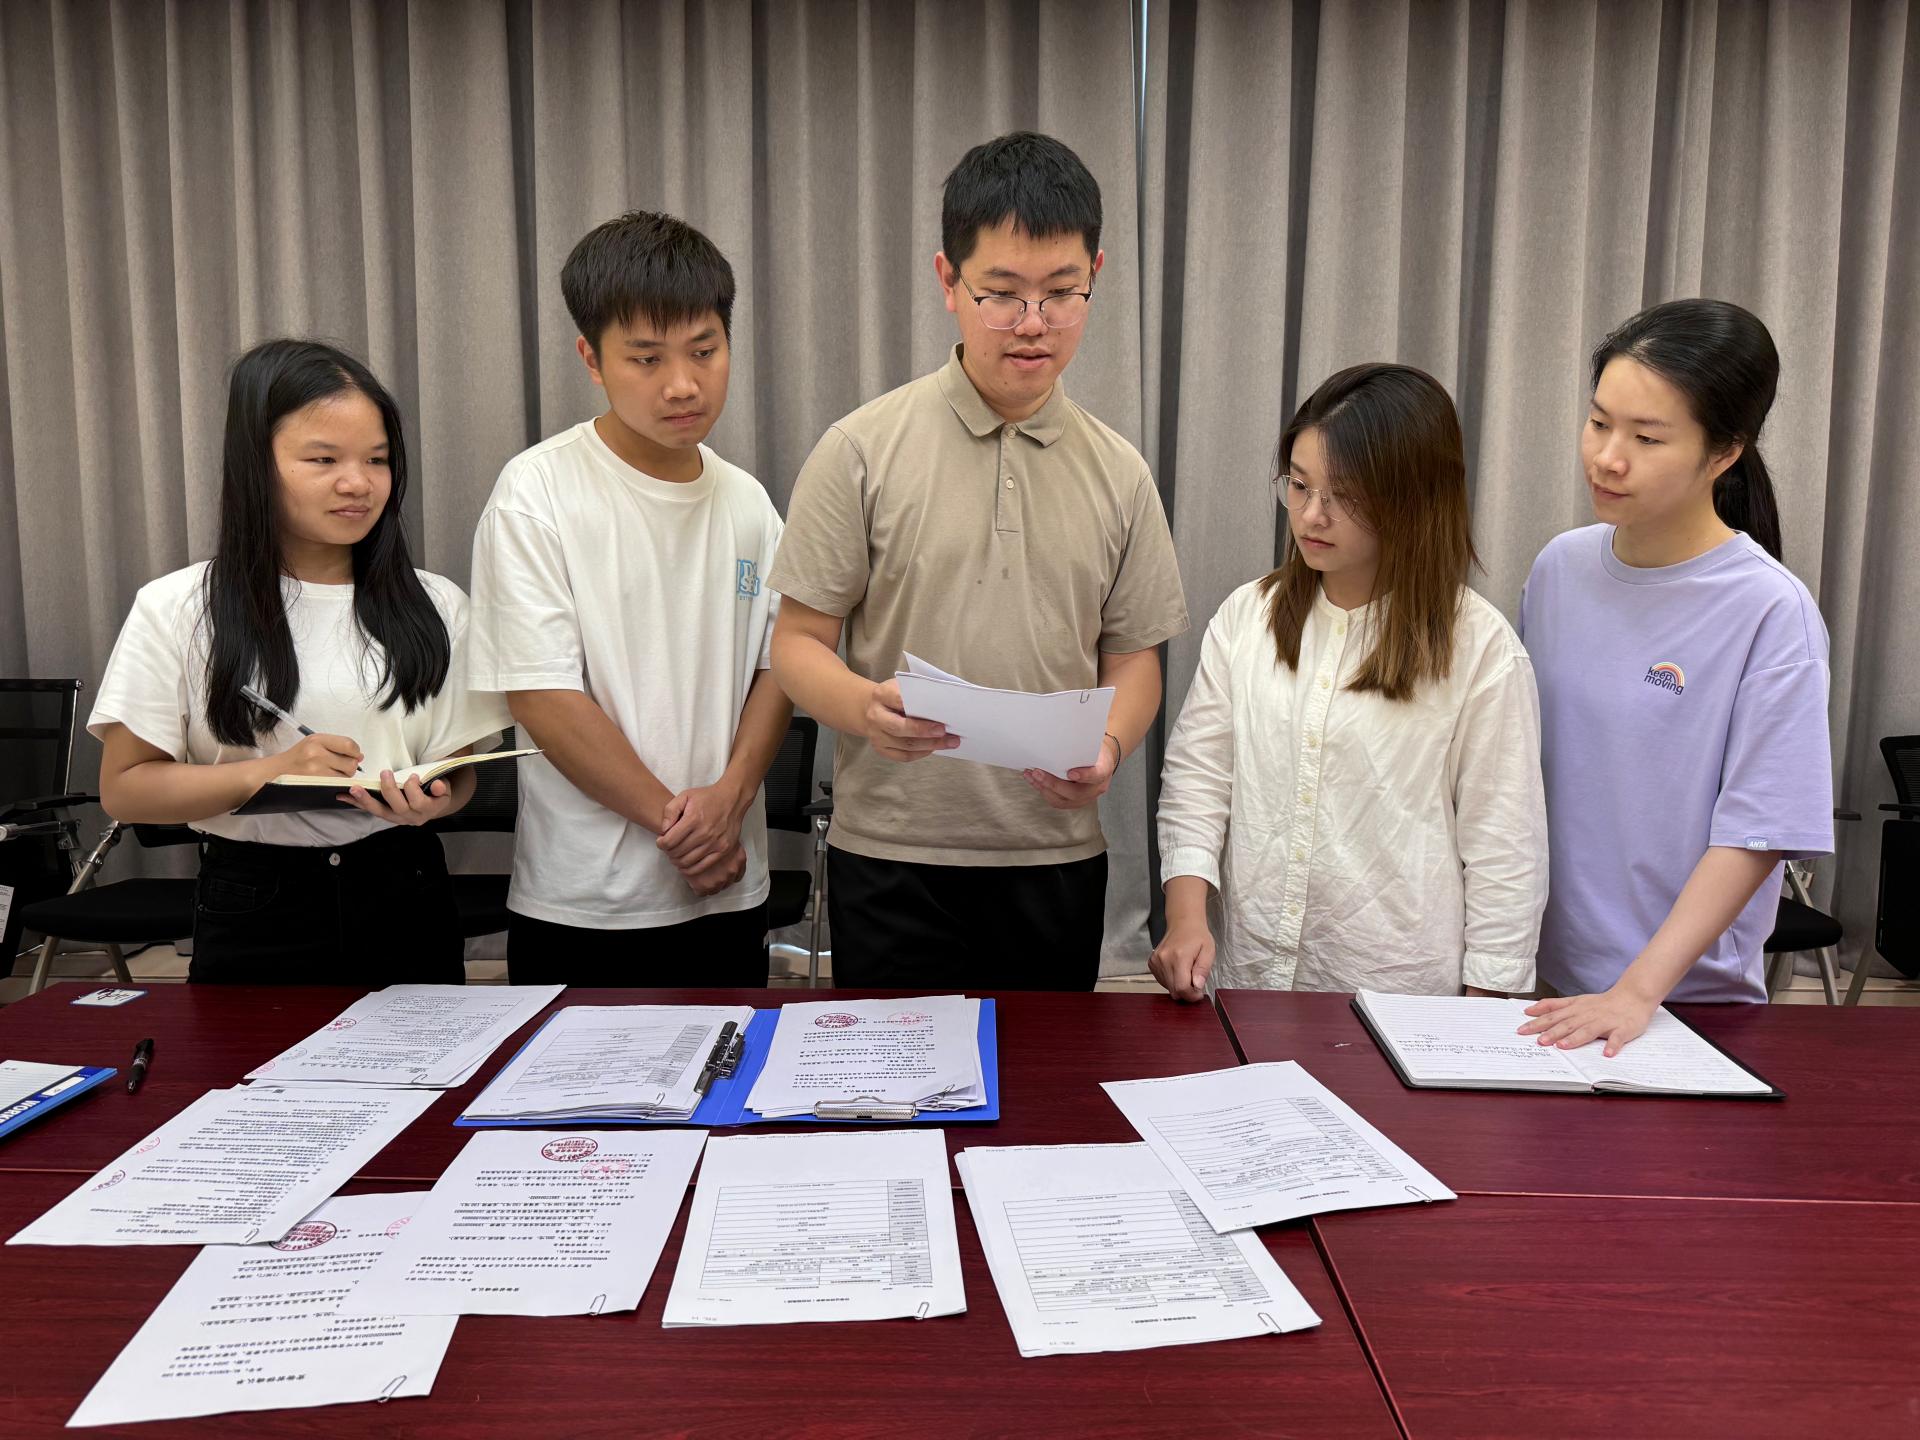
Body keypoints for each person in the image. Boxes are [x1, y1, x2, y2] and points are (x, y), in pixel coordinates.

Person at [767, 131, 1188, 991]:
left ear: (1096, 275)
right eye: (1001, 294)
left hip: (1055, 854)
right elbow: (797, 645)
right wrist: (863, 707)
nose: (1033, 323)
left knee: (1045, 1075)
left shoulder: (1120, 472)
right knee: (898, 1075)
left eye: (1062, 293)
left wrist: (1110, 747)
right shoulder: (861, 449)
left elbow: (1134, 659)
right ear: (948, 281)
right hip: (891, 855)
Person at [90, 339, 506, 984]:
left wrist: (433, 802)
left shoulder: (437, 604)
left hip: (406, 887)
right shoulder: (178, 607)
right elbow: (126, 789)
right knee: (251, 1053)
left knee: (426, 1053)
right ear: (255, 464)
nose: (358, 483)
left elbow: (462, 774)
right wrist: (273, 771)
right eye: (323, 459)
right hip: (253, 898)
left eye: (377, 459)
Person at [1150, 364, 1548, 1001]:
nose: (1312, 515)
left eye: (1346, 496)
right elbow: (1199, 777)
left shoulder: (1480, 648)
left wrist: (1485, 1009)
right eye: (1299, 485)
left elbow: (1504, 846)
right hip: (1248, 986)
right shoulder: (1248, 617)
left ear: (1413, 497)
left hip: (1402, 998)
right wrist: (1186, 916)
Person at [468, 211, 789, 986]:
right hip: (586, 903)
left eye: (705, 351)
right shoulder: (537, 491)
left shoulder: (748, 502)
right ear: (592, 358)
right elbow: (541, 694)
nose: (682, 383)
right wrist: (685, 829)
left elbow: (781, 667)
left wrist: (730, 800)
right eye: (646, 358)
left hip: (728, 889)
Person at [1518, 298, 1833, 1055]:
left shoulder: (1770, 610)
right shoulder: (1560, 568)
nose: (1608, 457)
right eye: (1599, 423)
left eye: (1647, 437)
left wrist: (1637, 991)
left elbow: (1758, 833)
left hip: (1680, 1004)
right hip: (1547, 983)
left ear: (1724, 453)